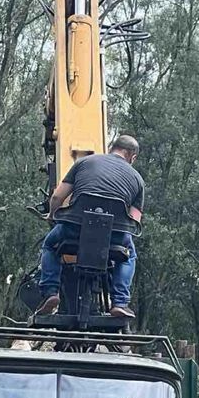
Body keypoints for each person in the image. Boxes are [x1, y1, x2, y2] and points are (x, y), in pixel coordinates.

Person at [37, 134, 145, 318]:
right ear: (132, 157)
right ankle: (119, 302)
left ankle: (51, 292)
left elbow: (56, 197)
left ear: (112, 147)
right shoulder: (137, 179)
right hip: (114, 235)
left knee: (49, 245)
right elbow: (134, 220)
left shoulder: (84, 163)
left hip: (74, 229)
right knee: (129, 254)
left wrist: (52, 216)